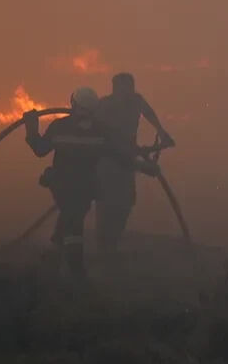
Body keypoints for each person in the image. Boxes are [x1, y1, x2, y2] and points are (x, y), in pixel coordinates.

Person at [25, 87, 156, 278]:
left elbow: (40, 149)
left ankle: (62, 262)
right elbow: (122, 158)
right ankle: (71, 267)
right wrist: (146, 168)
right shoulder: (100, 131)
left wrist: (32, 129)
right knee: (74, 222)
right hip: (86, 187)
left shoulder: (60, 127)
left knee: (71, 221)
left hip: (62, 185)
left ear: (73, 104)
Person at [94, 72, 173, 255]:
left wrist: (161, 131)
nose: (126, 92)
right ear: (114, 88)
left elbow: (148, 113)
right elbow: (98, 134)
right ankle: (103, 248)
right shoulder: (104, 105)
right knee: (105, 204)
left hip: (127, 159)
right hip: (107, 162)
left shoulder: (136, 101)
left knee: (126, 203)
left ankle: (111, 245)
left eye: (129, 87)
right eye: (122, 88)